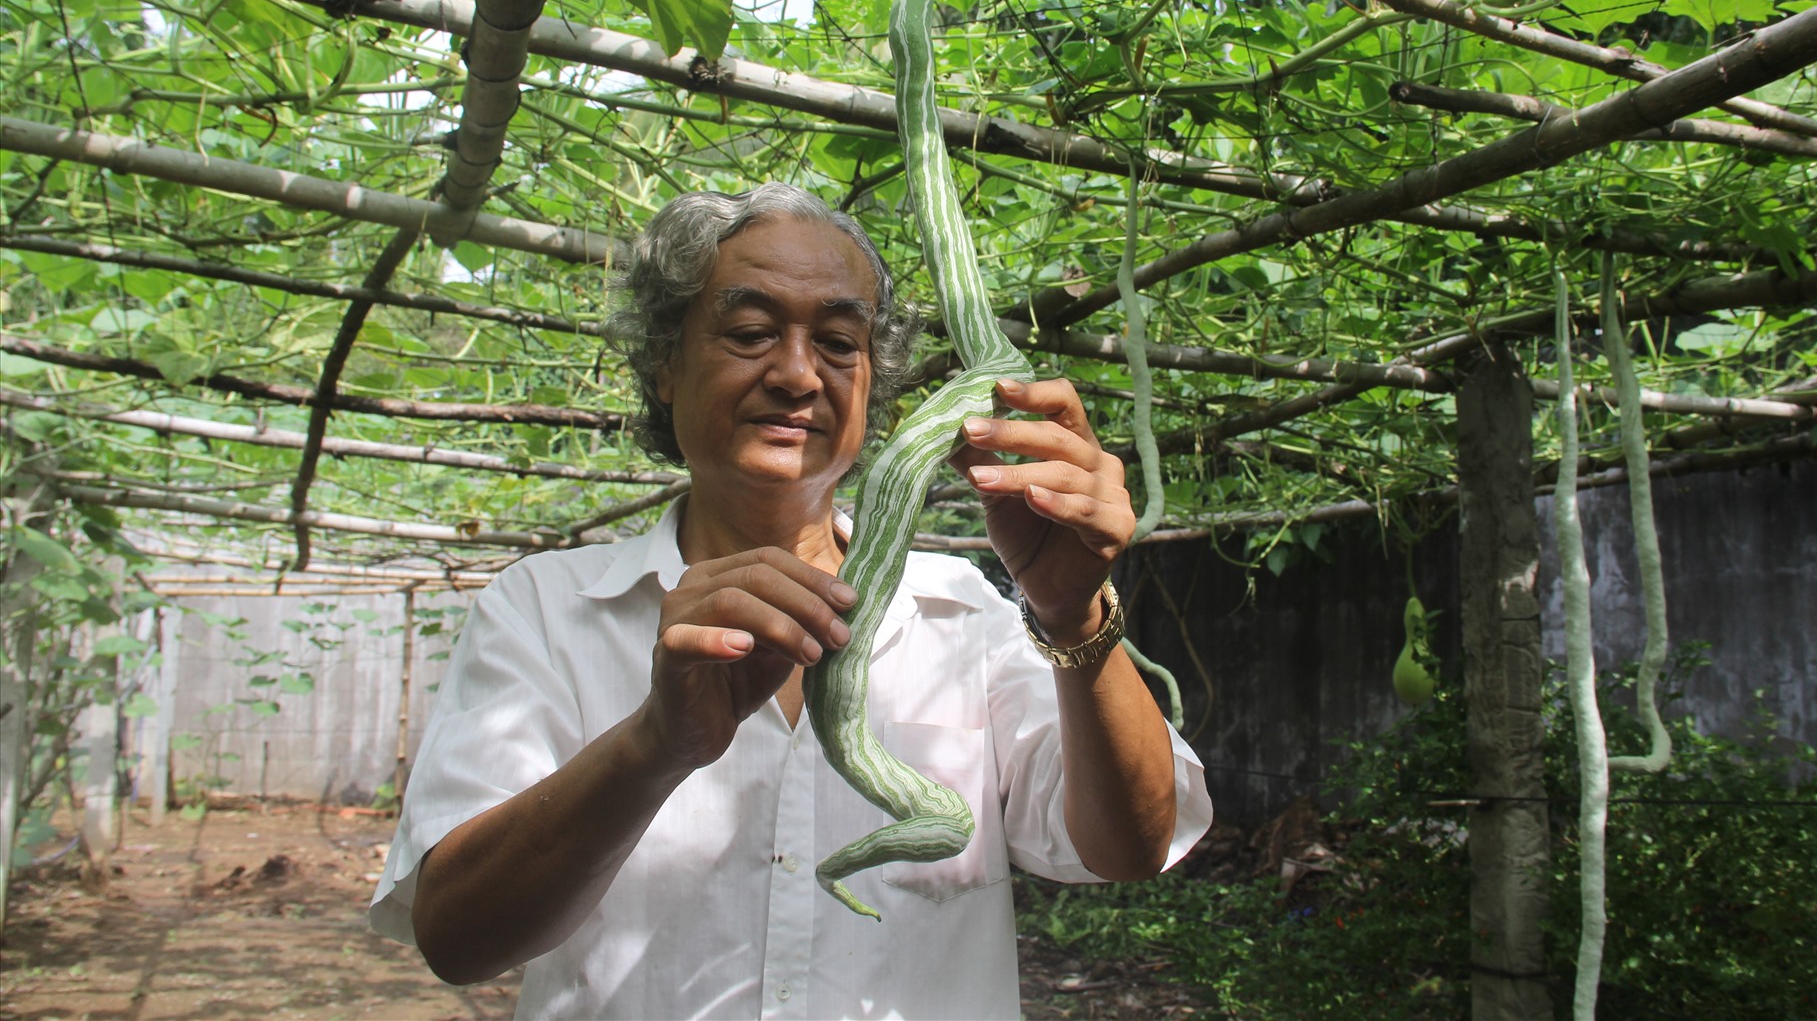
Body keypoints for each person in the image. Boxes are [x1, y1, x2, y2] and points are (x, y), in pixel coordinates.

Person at [369, 183, 1211, 1019]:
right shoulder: (543, 610)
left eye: (841, 342)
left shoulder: (965, 612)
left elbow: (1131, 847)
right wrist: (652, 748)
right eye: (749, 332)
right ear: (665, 362)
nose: (799, 373)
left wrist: (1075, 615)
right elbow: (456, 938)